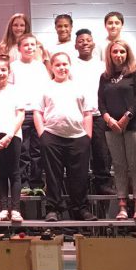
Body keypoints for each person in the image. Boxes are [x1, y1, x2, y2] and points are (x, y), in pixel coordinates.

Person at [34, 52, 97, 222]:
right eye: (58, 65)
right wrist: (43, 135)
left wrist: (87, 137)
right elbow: (38, 113)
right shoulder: (45, 87)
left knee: (79, 176)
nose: (62, 68)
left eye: (65, 64)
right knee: (53, 176)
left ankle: (81, 209)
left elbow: (87, 113)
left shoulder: (80, 87)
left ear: (69, 66)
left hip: (78, 138)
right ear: (52, 67)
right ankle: (53, 209)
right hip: (52, 137)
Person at [98, 40, 136, 220]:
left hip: (134, 124)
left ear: (127, 54)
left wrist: (126, 117)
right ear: (109, 55)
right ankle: (122, 205)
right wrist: (109, 120)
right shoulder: (105, 76)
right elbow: (101, 102)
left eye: (122, 52)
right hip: (112, 127)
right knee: (118, 166)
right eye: (115, 52)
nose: (118, 55)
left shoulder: (135, 72)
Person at [74, 29, 115, 196]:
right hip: (78, 117)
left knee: (102, 152)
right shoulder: (70, 65)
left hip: (98, 115)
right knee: (79, 154)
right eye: (81, 41)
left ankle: (103, 184)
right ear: (75, 45)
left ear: (93, 44)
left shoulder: (102, 66)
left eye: (88, 40)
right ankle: (80, 186)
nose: (85, 43)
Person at [0, 56, 25, 222]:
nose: (0, 73)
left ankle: (15, 209)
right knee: (0, 173)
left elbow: (20, 114)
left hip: (13, 135)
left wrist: (9, 135)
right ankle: (3, 209)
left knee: (14, 172)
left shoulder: (16, 90)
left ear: (9, 72)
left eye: (3, 70)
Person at [10, 34, 49, 195]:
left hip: (38, 113)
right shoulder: (13, 66)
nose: (30, 48)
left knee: (37, 151)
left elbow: (46, 89)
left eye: (33, 45)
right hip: (21, 112)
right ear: (19, 48)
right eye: (26, 45)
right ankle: (24, 183)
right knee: (23, 150)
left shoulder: (40, 66)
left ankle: (37, 183)